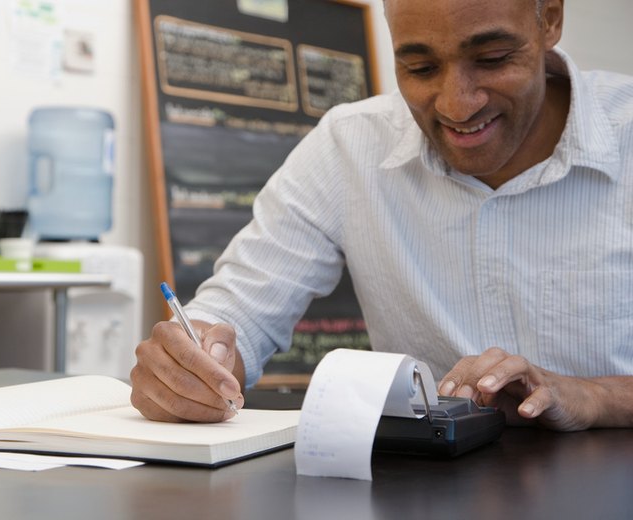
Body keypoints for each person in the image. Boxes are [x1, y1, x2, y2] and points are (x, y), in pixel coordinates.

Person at [130, 0, 633, 431]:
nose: (458, 103)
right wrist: (194, 362)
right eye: (420, 68)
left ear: (549, 19)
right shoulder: (350, 145)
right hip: (420, 492)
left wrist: (595, 396)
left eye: (493, 58)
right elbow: (240, 310)